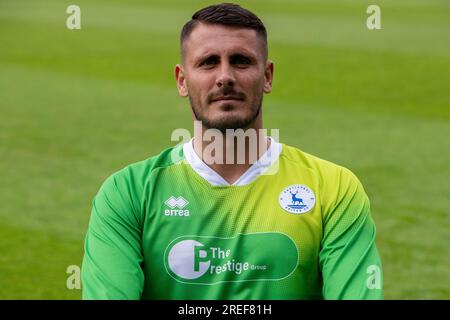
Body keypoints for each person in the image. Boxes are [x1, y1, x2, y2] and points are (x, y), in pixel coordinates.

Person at [81, 3, 383, 300]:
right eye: (208, 62)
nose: (225, 76)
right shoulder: (128, 193)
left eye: (240, 61)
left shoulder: (333, 188)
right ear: (182, 80)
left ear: (267, 76)